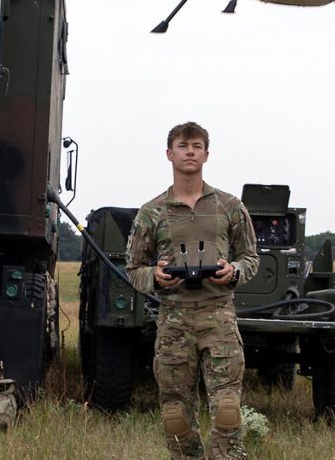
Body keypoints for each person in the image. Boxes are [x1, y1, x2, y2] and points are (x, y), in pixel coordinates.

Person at [126, 122, 260, 460]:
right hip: (173, 320)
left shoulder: (230, 206)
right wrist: (156, 277)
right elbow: (133, 269)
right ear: (169, 154)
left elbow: (250, 258)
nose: (190, 151)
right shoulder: (151, 212)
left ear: (206, 154)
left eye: (197, 146)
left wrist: (233, 273)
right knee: (175, 416)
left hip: (218, 316)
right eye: (183, 146)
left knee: (228, 408)